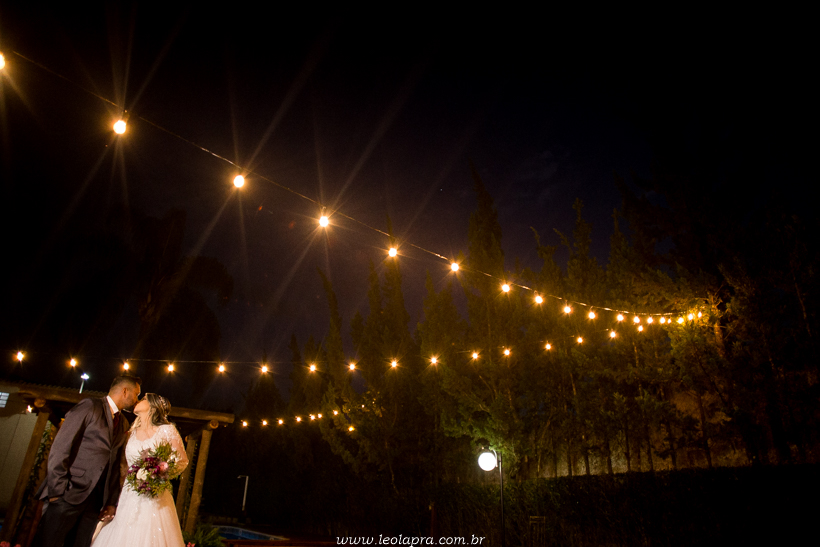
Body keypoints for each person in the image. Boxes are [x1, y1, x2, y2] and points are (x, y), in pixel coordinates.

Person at [32, 375, 141, 547]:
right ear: (125, 391)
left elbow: (115, 465)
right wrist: (58, 490)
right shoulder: (90, 406)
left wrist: (111, 502)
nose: (137, 400)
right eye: (136, 394)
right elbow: (61, 446)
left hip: (95, 502)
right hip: (68, 493)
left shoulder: (124, 423)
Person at [91, 392, 189, 547]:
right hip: (129, 494)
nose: (138, 400)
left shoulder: (167, 430)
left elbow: (181, 460)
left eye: (143, 399)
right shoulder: (131, 432)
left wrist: (157, 474)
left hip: (155, 496)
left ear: (152, 406)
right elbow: (123, 466)